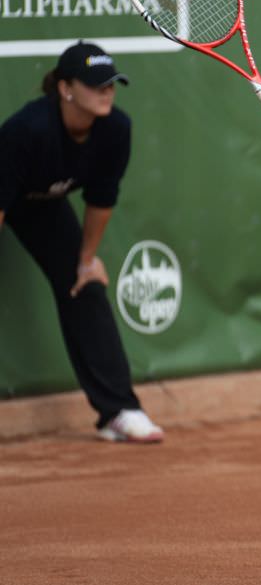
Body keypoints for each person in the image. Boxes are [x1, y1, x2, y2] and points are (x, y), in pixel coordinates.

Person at [0, 41, 164, 444]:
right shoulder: (26, 131)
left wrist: (86, 259)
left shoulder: (115, 129)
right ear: (65, 88)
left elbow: (101, 199)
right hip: (6, 196)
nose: (107, 92)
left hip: (45, 203)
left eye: (112, 84)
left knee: (85, 285)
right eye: (96, 84)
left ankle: (119, 411)